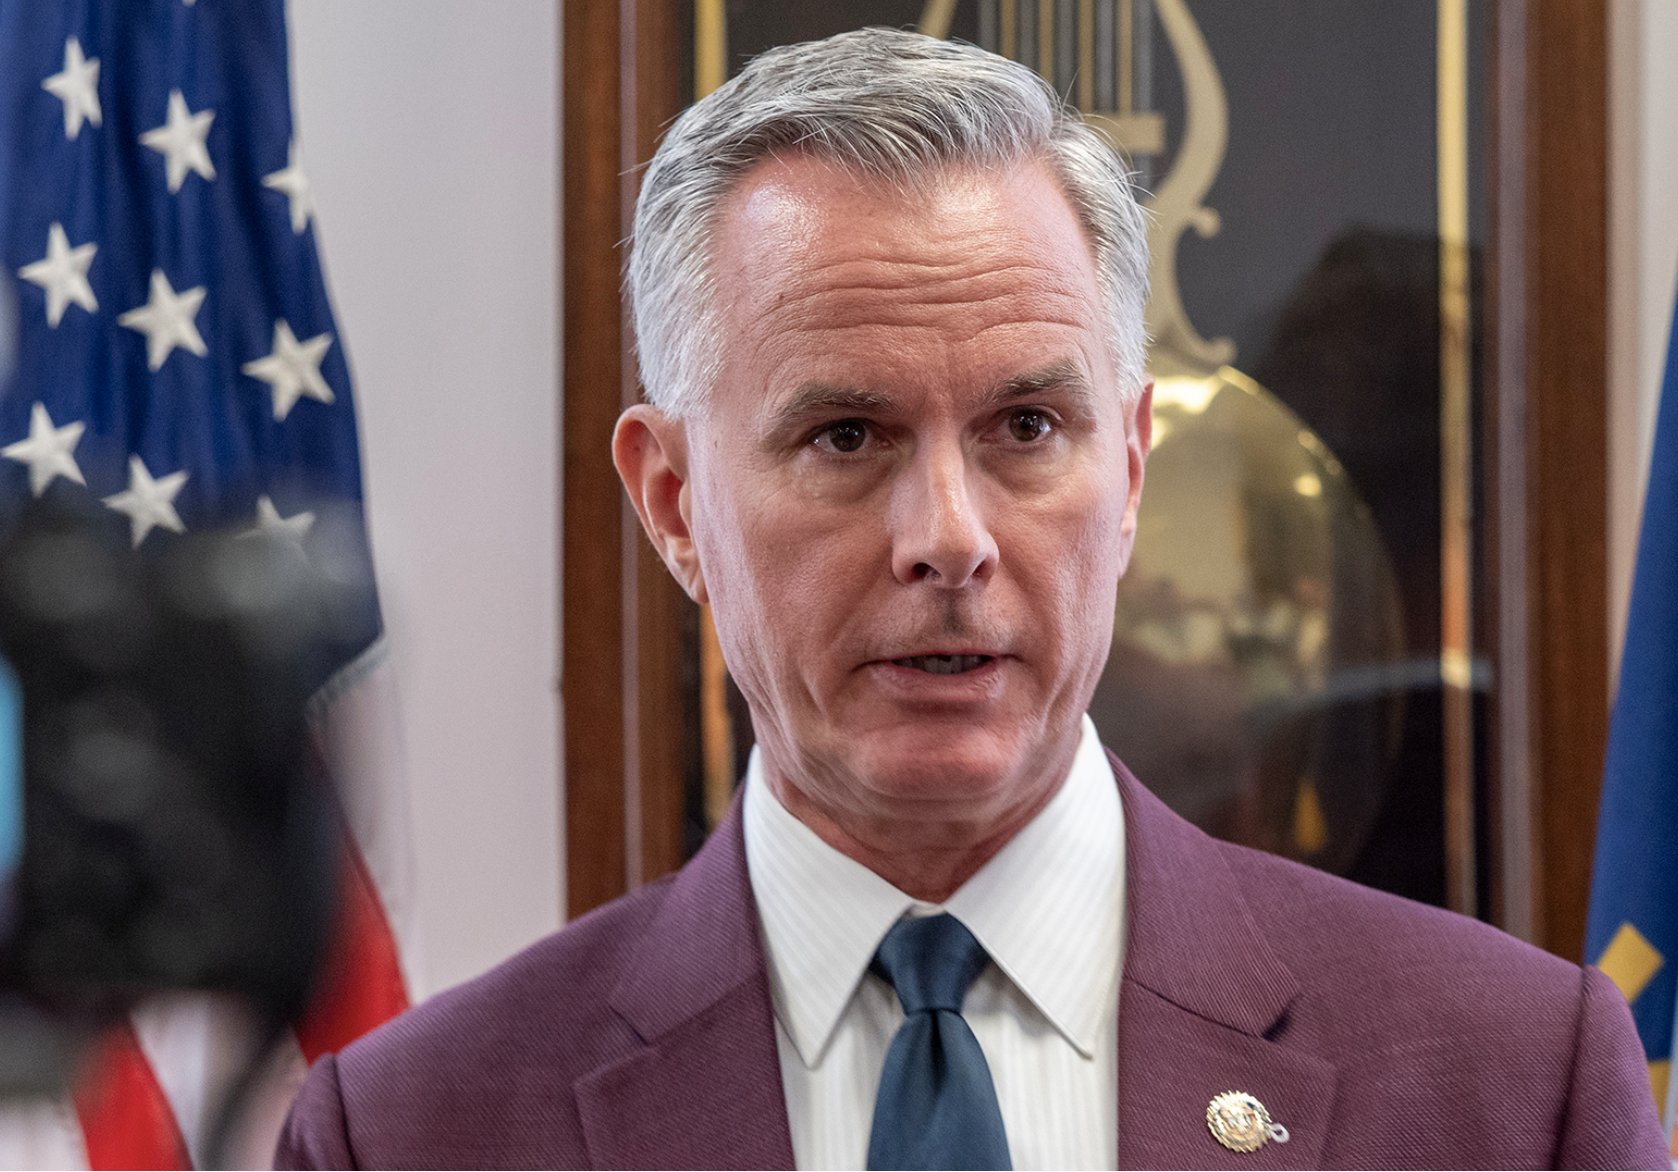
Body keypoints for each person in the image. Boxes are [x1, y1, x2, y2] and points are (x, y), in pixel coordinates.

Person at [276, 28, 1666, 1170]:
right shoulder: (410, 1134)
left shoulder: (1509, 1084)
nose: (948, 539)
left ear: (1126, 469)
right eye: (844, 436)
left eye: (1023, 429)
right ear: (673, 502)